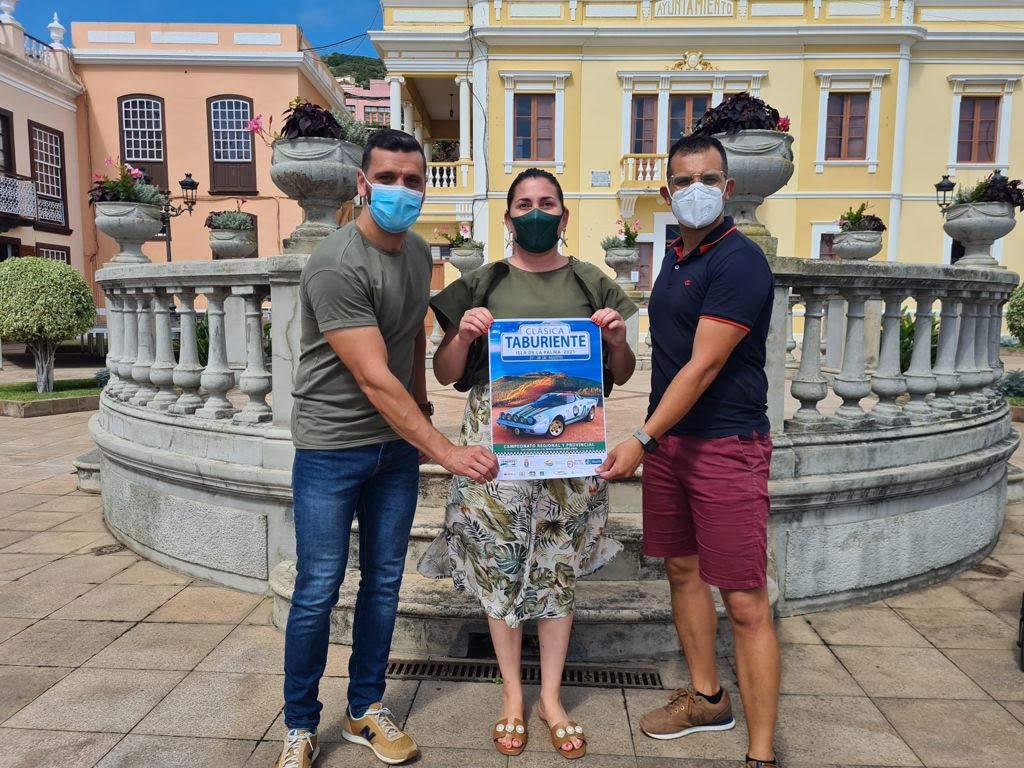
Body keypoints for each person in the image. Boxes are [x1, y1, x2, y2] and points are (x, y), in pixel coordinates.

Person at [278, 128, 499, 768]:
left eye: (413, 180)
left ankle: (365, 709)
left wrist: (421, 409)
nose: (402, 190)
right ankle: (299, 724)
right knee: (318, 587)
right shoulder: (336, 263)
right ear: (362, 184)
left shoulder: (418, 252)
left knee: (383, 583)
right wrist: (446, 451)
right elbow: (374, 377)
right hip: (331, 447)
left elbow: (407, 342)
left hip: (393, 451)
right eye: (388, 179)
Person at [418, 168, 637, 760]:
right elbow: (445, 372)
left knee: (556, 567)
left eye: (546, 203)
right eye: (523, 204)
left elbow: (620, 373)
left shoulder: (593, 282)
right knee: (500, 563)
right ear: (508, 216)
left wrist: (616, 339)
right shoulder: (482, 281)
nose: (535, 212)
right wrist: (463, 337)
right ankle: (513, 694)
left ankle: (552, 698)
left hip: (567, 450)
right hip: (496, 443)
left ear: (564, 216)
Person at [598, 134, 779, 768]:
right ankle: (707, 698)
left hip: (726, 445)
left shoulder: (739, 261)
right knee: (681, 571)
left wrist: (641, 437)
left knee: (745, 599)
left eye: (707, 179)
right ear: (666, 191)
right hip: (672, 445)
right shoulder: (675, 257)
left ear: (728, 188)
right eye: (682, 180)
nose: (694, 189)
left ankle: (761, 754)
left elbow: (703, 366)